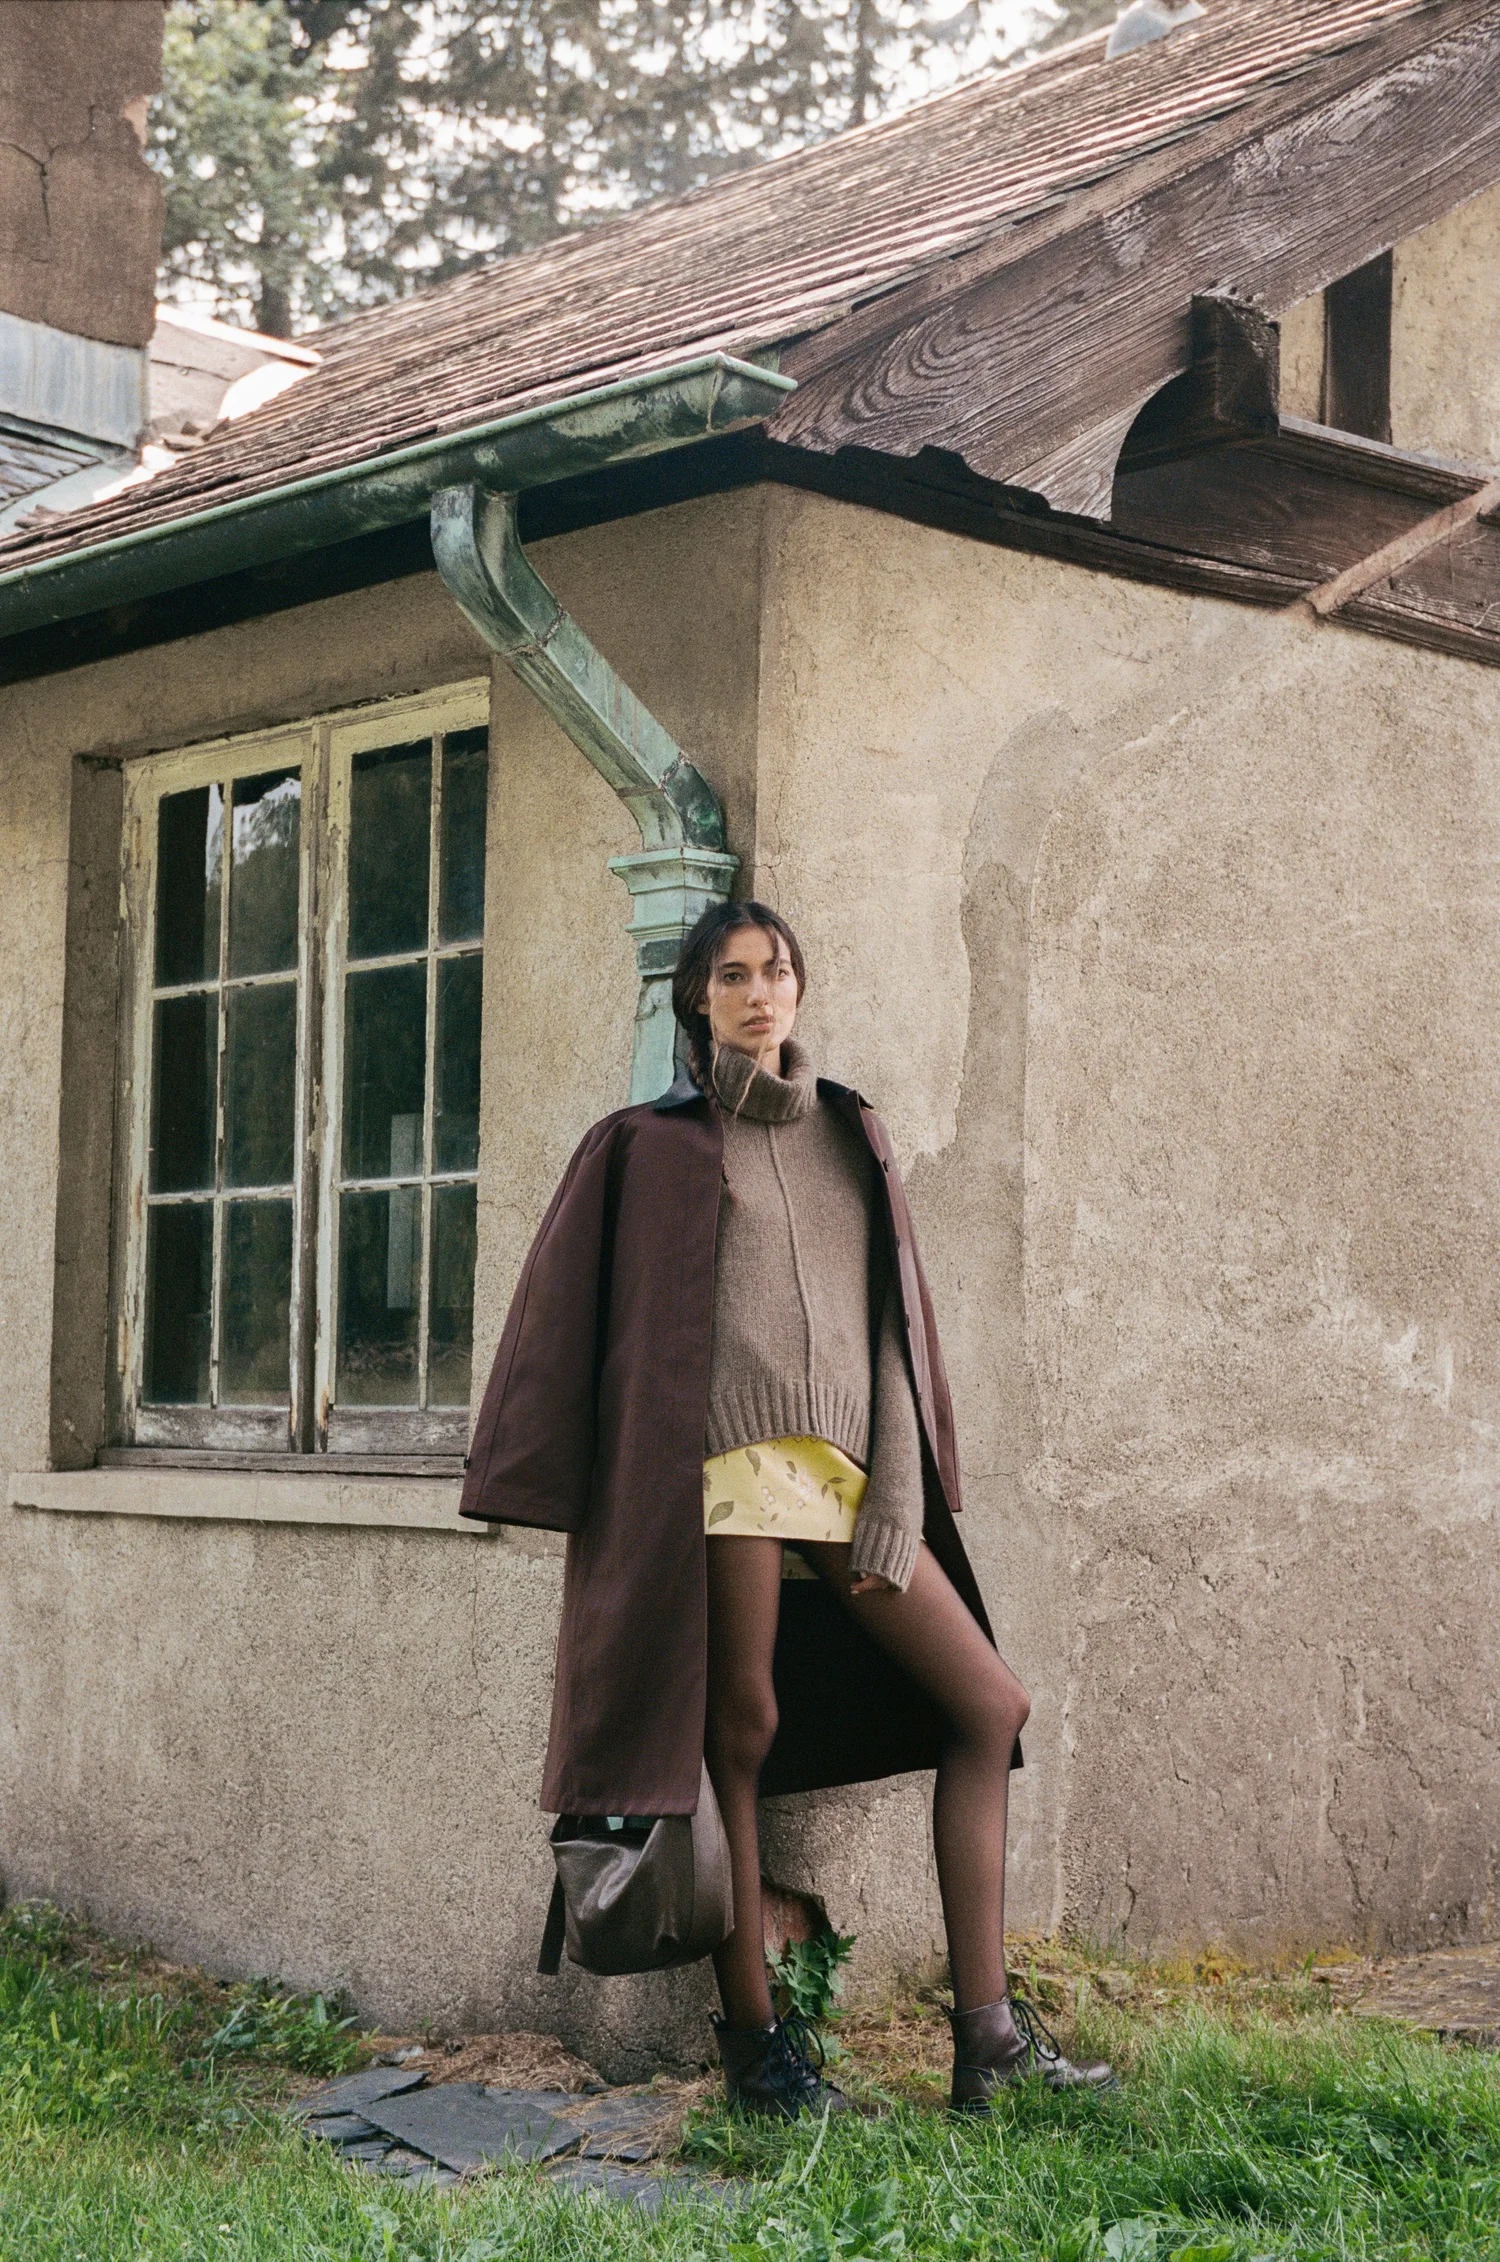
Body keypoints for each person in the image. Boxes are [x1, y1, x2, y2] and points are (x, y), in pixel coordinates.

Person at [460, 899, 1113, 2115]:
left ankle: (988, 2043)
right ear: (695, 1000)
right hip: (721, 1477)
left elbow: (890, 1329)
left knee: (990, 1704)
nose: (761, 993)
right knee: (739, 1734)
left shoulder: (849, 1131)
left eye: (778, 971)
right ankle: (759, 2052)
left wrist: (899, 1491)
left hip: (841, 1477)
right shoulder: (648, 1146)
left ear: (799, 989)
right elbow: (591, 1328)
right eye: (733, 975)